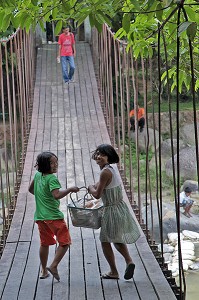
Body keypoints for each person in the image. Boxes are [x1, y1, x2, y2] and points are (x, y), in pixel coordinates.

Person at [88, 144, 140, 280]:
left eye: (103, 155)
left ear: (109, 157)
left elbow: (97, 195)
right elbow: (103, 184)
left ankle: (113, 271)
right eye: (98, 153)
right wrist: (96, 185)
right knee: (116, 238)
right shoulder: (111, 169)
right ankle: (129, 261)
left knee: (105, 241)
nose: (99, 156)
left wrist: (90, 188)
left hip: (111, 210)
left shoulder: (105, 172)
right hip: (119, 207)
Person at [28, 151, 79, 281]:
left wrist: (42, 197)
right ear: (46, 165)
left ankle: (44, 270)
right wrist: (70, 189)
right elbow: (56, 195)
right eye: (52, 163)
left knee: (44, 244)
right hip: (54, 217)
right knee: (65, 242)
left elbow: (30, 190)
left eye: (56, 162)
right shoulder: (52, 178)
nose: (56, 165)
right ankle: (54, 265)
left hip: (40, 217)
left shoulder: (38, 175)